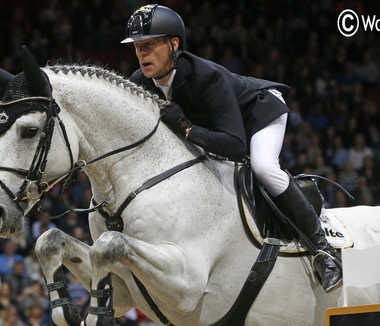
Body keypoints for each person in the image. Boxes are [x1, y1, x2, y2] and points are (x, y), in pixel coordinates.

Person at [121, 4, 341, 292]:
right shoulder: (140, 83)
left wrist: (187, 128)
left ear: (174, 44)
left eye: (149, 45)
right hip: (220, 126)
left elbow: (237, 147)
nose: (142, 54)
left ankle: (323, 253)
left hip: (259, 112)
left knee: (263, 166)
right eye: (137, 47)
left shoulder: (206, 76)